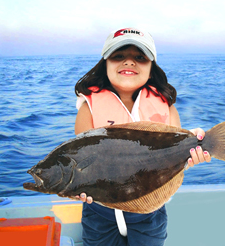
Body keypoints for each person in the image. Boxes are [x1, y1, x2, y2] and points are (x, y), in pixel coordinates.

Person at [74, 27, 211, 246]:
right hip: (99, 212)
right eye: (118, 56)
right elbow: (84, 160)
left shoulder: (165, 106)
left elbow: (174, 161)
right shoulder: (89, 107)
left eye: (140, 57)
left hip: (150, 213)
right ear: (105, 63)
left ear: (151, 67)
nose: (129, 62)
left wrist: (192, 147)